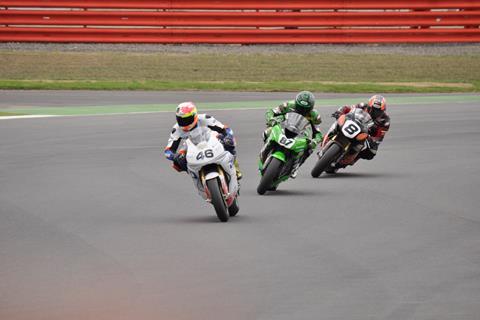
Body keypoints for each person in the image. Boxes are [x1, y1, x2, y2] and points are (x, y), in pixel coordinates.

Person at [164, 102, 242, 179]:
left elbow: (225, 128)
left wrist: (227, 136)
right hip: (191, 147)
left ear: (194, 116)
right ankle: (196, 176)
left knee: (229, 142)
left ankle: (235, 168)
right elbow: (168, 151)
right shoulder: (176, 129)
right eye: (180, 119)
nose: (183, 122)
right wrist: (175, 156)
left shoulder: (205, 118)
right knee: (177, 164)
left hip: (210, 140)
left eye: (187, 119)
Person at [263, 91, 323, 178]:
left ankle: (296, 166)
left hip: (301, 133)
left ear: (311, 108)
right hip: (284, 126)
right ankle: (266, 149)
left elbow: (318, 132)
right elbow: (271, 112)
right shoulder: (287, 105)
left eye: (305, 110)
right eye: (300, 108)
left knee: (310, 148)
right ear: (296, 103)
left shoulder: (315, 116)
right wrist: (271, 120)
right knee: (267, 132)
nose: (302, 111)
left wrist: (315, 141)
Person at [331, 94, 390, 161]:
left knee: (372, 152)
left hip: (365, 133)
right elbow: (348, 108)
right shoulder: (362, 106)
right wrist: (340, 111)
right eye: (373, 110)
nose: (375, 113)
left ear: (383, 111)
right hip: (352, 124)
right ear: (369, 106)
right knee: (339, 121)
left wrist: (373, 140)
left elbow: (379, 136)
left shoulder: (385, 120)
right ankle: (328, 137)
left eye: (378, 111)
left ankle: (352, 158)